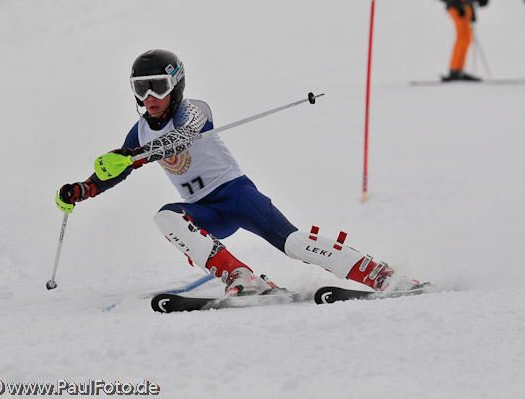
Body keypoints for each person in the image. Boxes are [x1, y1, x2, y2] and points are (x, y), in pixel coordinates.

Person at [56, 49, 421, 296]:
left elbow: (183, 136)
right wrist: (82, 189)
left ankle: (381, 274)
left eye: (159, 87)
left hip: (236, 195)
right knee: (166, 217)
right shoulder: (140, 132)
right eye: (141, 88)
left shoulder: (194, 109)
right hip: (205, 210)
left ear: (176, 85)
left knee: (292, 243)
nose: (149, 97)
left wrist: (136, 156)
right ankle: (241, 278)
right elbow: (116, 169)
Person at [441, 0, 489, 82]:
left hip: (464, 8)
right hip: (458, 8)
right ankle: (455, 70)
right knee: (464, 38)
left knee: (464, 38)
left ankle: (457, 69)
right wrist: (456, 4)